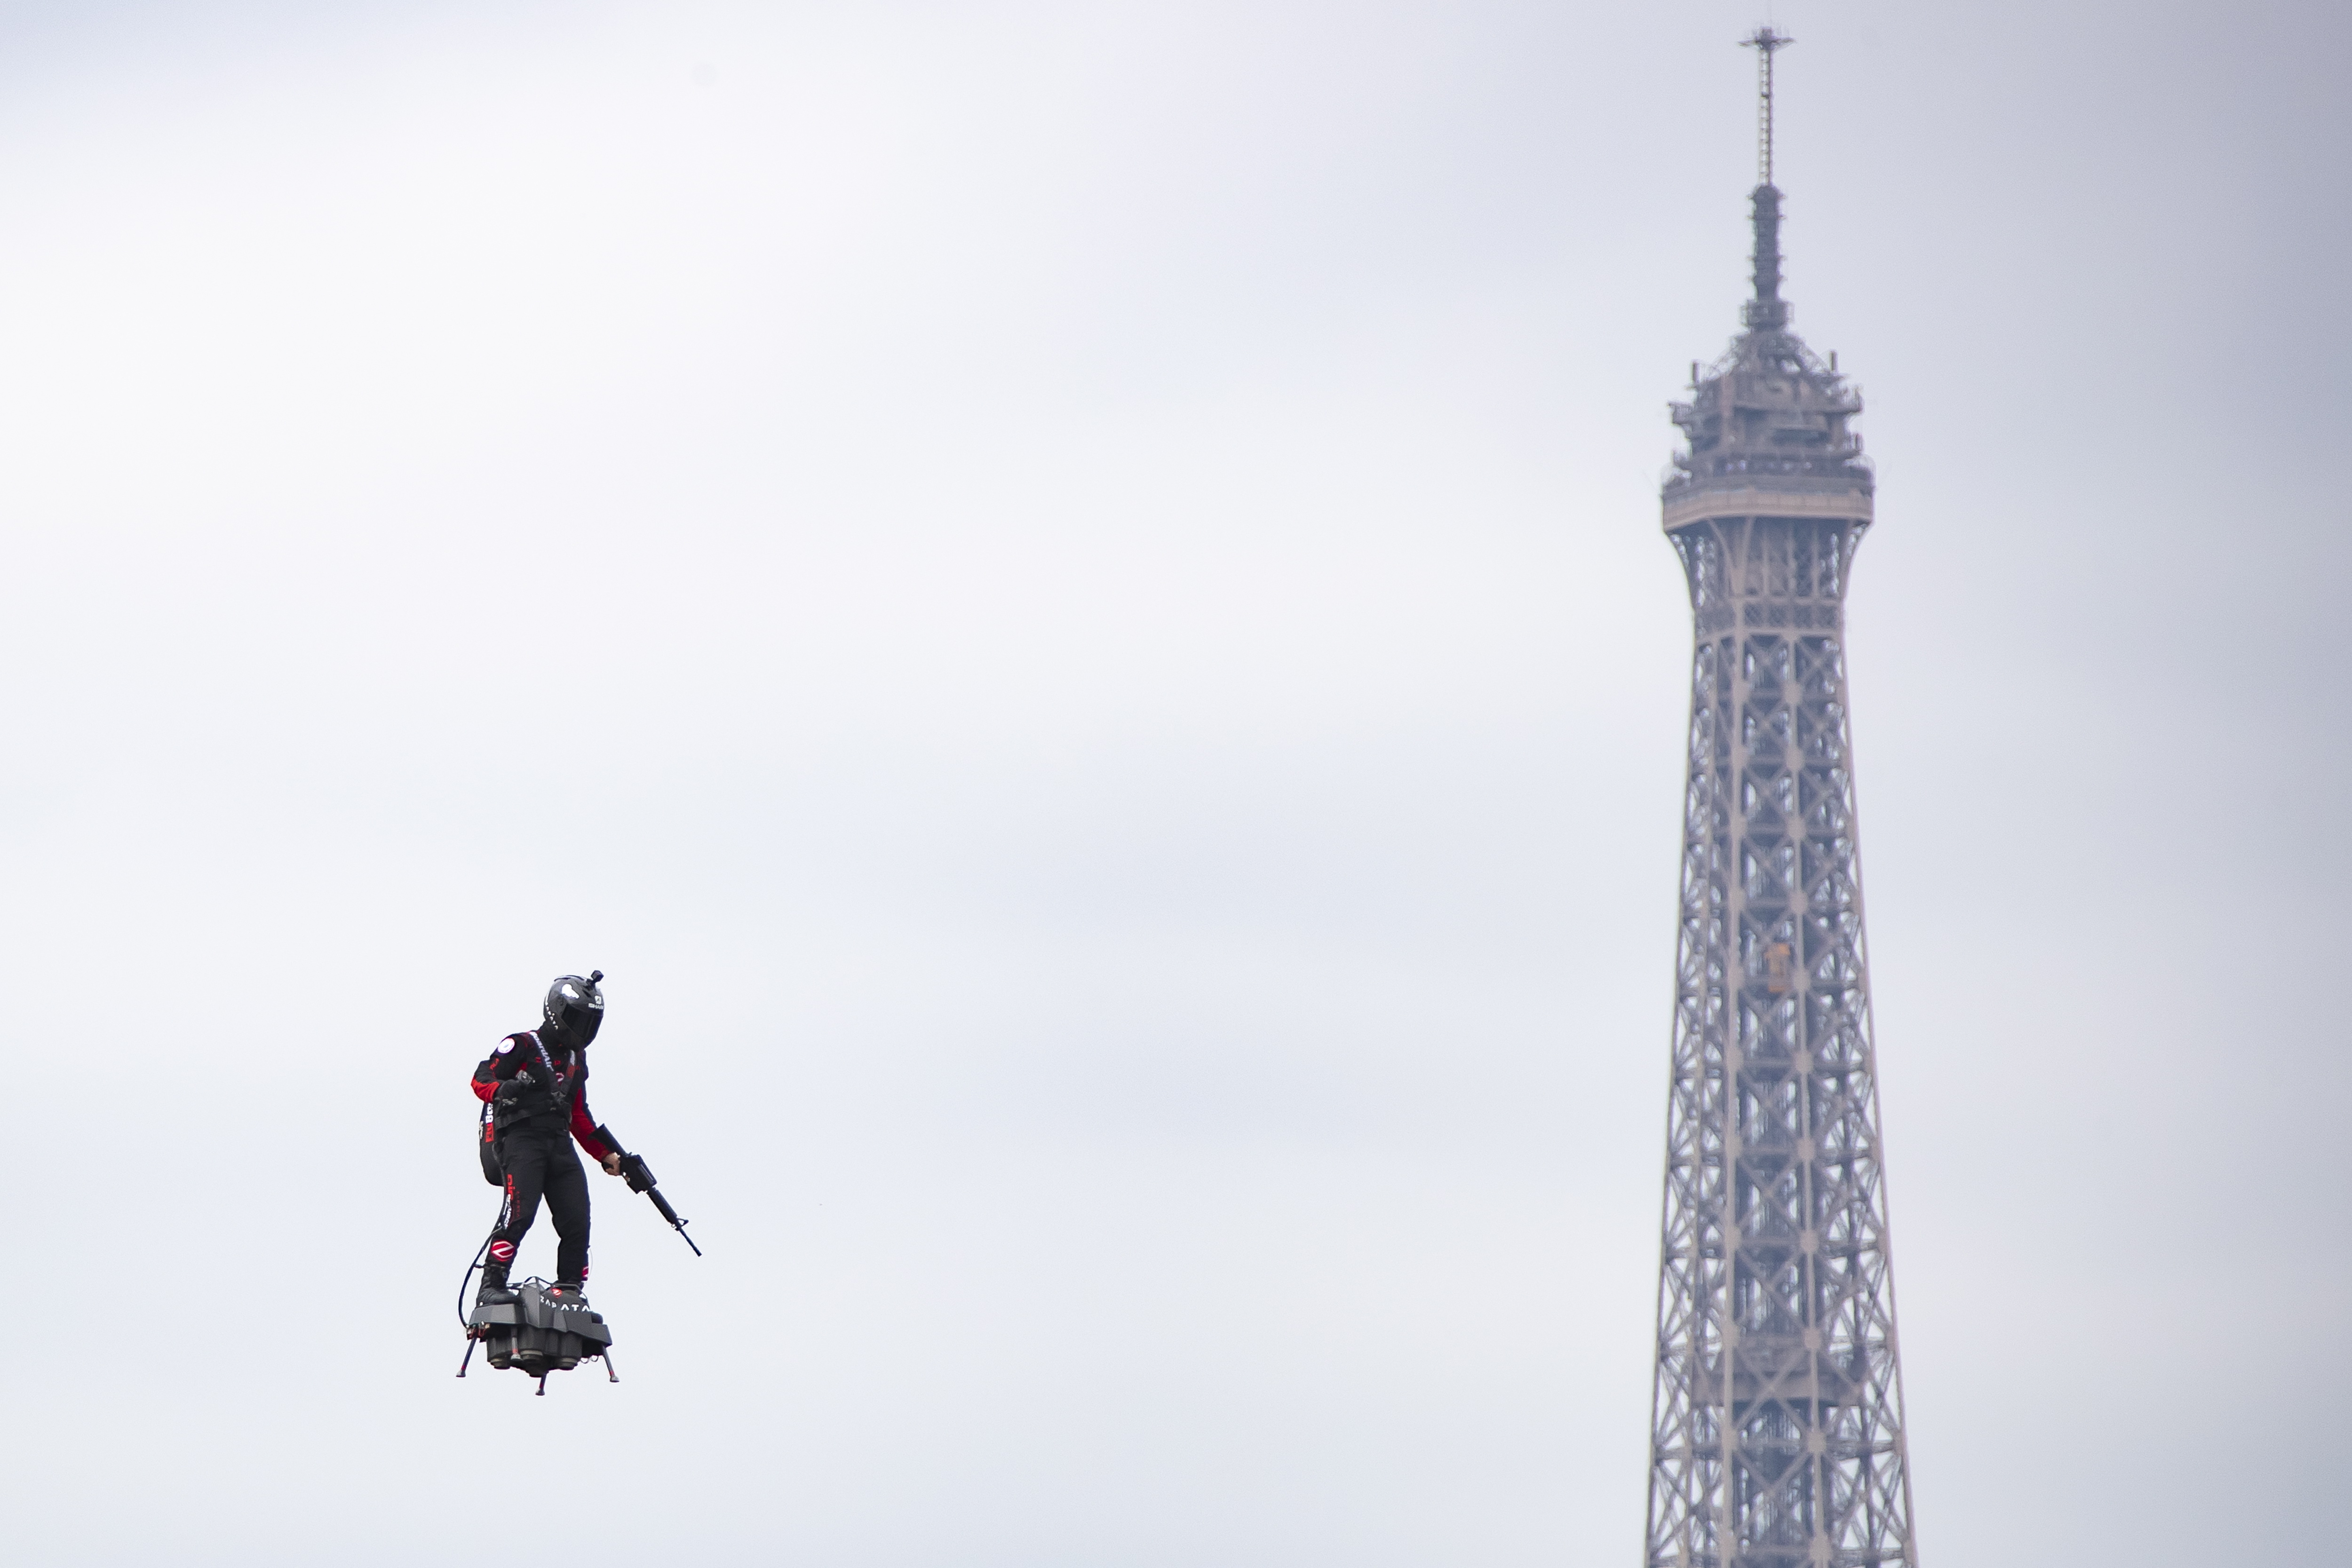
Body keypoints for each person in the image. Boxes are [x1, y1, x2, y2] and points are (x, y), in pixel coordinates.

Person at [471, 971, 625, 1308]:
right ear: (556, 1012)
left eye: (590, 1023)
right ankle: (491, 1286)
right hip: (522, 1140)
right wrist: (503, 1089)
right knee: (520, 1214)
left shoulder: (576, 1059)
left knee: (577, 1219)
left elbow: (579, 1115)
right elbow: (481, 1079)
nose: (584, 1030)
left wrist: (606, 1155)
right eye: (578, 1021)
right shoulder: (522, 1044)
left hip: (559, 1143)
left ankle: (569, 1289)